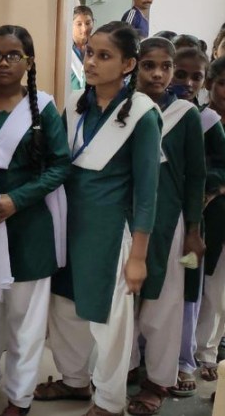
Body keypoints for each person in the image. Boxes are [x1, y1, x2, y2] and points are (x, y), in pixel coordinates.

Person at [35, 22, 162, 416]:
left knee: (110, 318)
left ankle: (109, 401)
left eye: (103, 56)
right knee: (64, 306)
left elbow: (147, 193)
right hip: (68, 223)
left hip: (111, 231)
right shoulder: (75, 104)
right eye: (89, 53)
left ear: (128, 64)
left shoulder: (142, 114)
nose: (90, 62)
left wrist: (138, 256)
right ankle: (74, 380)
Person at [0, 26, 71, 416]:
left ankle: (20, 397)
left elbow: (60, 165)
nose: (3, 62)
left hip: (27, 228)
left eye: (13, 55)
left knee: (24, 321)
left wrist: (17, 199)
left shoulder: (42, 107)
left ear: (29, 61)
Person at [128, 38, 206, 415]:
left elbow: (195, 176)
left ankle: (158, 380)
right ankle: (123, 367)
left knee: (164, 300)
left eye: (165, 67)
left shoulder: (185, 115)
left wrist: (192, 229)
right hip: (124, 216)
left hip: (167, 220)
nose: (157, 74)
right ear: (134, 66)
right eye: (148, 65)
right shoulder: (123, 107)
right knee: (122, 300)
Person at [167, 48, 225, 397]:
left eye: (196, 77)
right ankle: (147, 355)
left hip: (197, 219)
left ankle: (187, 359)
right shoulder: (153, 111)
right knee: (157, 288)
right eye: (180, 74)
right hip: (160, 215)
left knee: (193, 288)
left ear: (203, 82)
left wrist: (206, 185)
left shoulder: (207, 121)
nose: (187, 83)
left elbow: (220, 165)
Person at [194, 56, 225, 383]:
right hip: (200, 216)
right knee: (198, 285)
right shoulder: (201, 120)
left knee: (218, 292)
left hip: (219, 211)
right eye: (223, 83)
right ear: (210, 84)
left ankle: (208, 351)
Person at [71, 6, 95, 90]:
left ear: (93, 23)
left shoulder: (97, 47)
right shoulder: (64, 49)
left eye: (88, 23)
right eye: (79, 24)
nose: (84, 29)